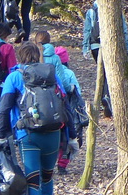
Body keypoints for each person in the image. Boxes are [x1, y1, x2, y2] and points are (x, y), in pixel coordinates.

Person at [0, 41, 78, 195]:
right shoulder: (52, 75)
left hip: (28, 135)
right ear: (37, 56)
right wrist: (71, 136)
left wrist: (1, 135)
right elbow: (65, 106)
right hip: (53, 133)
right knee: (48, 177)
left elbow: (4, 109)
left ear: (20, 57)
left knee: (34, 181)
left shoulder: (15, 77)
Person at [33, 30, 87, 171]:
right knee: (63, 128)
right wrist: (69, 90)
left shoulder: (31, 54)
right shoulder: (55, 58)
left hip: (34, 99)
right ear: (49, 41)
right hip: (55, 99)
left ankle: (38, 162)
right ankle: (62, 163)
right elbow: (61, 80)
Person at [80, 0, 128, 117]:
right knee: (112, 73)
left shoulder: (91, 12)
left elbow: (87, 31)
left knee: (103, 73)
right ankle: (111, 101)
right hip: (112, 45)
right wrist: (127, 48)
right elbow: (124, 30)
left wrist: (85, 48)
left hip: (95, 47)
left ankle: (104, 99)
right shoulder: (115, 10)